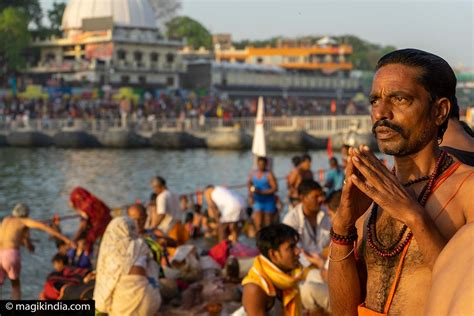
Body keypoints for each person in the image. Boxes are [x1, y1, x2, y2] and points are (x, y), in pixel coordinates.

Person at [328, 49, 474, 315]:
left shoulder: (468, 190)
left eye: (400, 99)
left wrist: (414, 216)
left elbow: (464, 292)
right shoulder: (371, 197)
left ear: (440, 111)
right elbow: (341, 311)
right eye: (374, 101)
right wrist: (342, 227)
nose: (381, 112)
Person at [0, 203, 74, 299]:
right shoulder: (24, 221)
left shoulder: (6, 220)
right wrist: (66, 239)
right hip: (11, 255)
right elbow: (44, 227)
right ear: (26, 214)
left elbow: (17, 240)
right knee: (16, 287)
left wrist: (28, 244)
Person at [94, 217, 162, 316]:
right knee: (151, 265)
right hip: (152, 303)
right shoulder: (141, 244)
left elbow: (107, 286)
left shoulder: (109, 251)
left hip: (124, 309)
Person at [282, 180, 331, 312]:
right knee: (314, 283)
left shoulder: (327, 215)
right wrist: (314, 264)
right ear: (302, 198)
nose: (321, 199)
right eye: (315, 196)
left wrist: (322, 261)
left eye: (321, 195)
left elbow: (333, 245)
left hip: (325, 263)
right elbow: (293, 254)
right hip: (303, 268)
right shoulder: (291, 220)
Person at [241, 224, 304, 316]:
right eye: (291, 247)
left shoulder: (288, 278)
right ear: (273, 254)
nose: (298, 251)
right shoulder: (255, 288)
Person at [69, 187, 112, 253]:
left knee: (86, 245)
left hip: (97, 233)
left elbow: (83, 226)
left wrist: (74, 239)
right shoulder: (95, 200)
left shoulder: (84, 208)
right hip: (110, 225)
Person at [150, 176, 187, 247]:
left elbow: (162, 214)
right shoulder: (175, 194)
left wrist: (153, 227)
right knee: (181, 250)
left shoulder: (161, 197)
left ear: (158, 186)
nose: (154, 190)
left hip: (168, 229)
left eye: (154, 188)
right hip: (179, 226)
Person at [248, 156, 278, 231]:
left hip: (268, 201)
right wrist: (251, 195)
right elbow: (249, 184)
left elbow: (275, 188)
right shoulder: (253, 173)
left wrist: (261, 192)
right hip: (258, 201)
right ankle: (259, 239)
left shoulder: (269, 174)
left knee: (268, 223)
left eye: (263, 164)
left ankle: (268, 239)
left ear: (266, 164)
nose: (261, 166)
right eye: (259, 164)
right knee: (258, 223)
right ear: (257, 164)